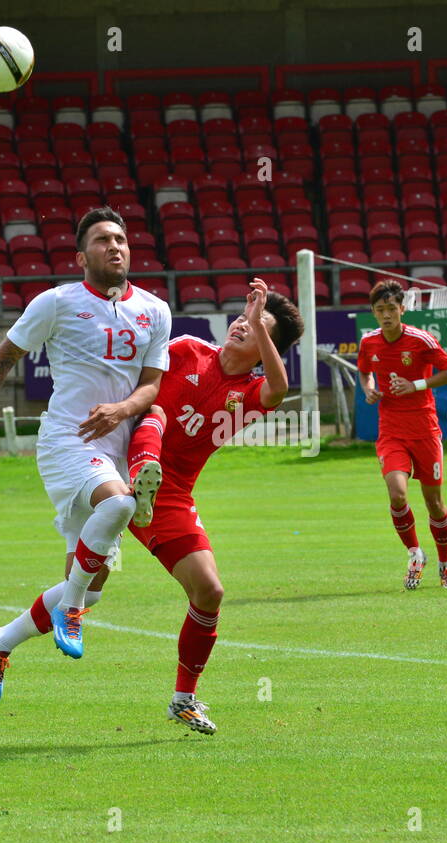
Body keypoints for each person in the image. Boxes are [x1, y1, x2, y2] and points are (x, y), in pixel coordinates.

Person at [0, 206, 171, 705]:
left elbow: (151, 385)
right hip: (67, 442)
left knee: (92, 587)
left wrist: (121, 410)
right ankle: (69, 612)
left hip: (112, 449)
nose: (114, 246)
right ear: (81, 256)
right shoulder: (56, 302)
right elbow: (3, 358)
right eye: (101, 240)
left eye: (120, 238)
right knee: (119, 506)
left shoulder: (155, 310)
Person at [123, 277, 302, 733]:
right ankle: (133, 486)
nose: (243, 325)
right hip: (120, 465)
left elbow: (280, 388)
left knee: (210, 591)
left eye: (257, 325)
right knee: (156, 414)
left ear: (267, 348)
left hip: (172, 495)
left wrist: (262, 322)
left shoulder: (251, 394)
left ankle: (184, 698)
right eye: (242, 318)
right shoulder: (186, 348)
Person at [357, 279, 447, 590]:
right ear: (373, 313)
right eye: (380, 310)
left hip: (425, 430)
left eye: (391, 309)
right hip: (391, 431)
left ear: (402, 309)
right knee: (397, 493)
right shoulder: (369, 342)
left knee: (434, 504)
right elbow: (363, 370)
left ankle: (445, 564)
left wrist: (415, 385)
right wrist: (369, 388)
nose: (386, 315)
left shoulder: (420, 340)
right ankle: (415, 554)